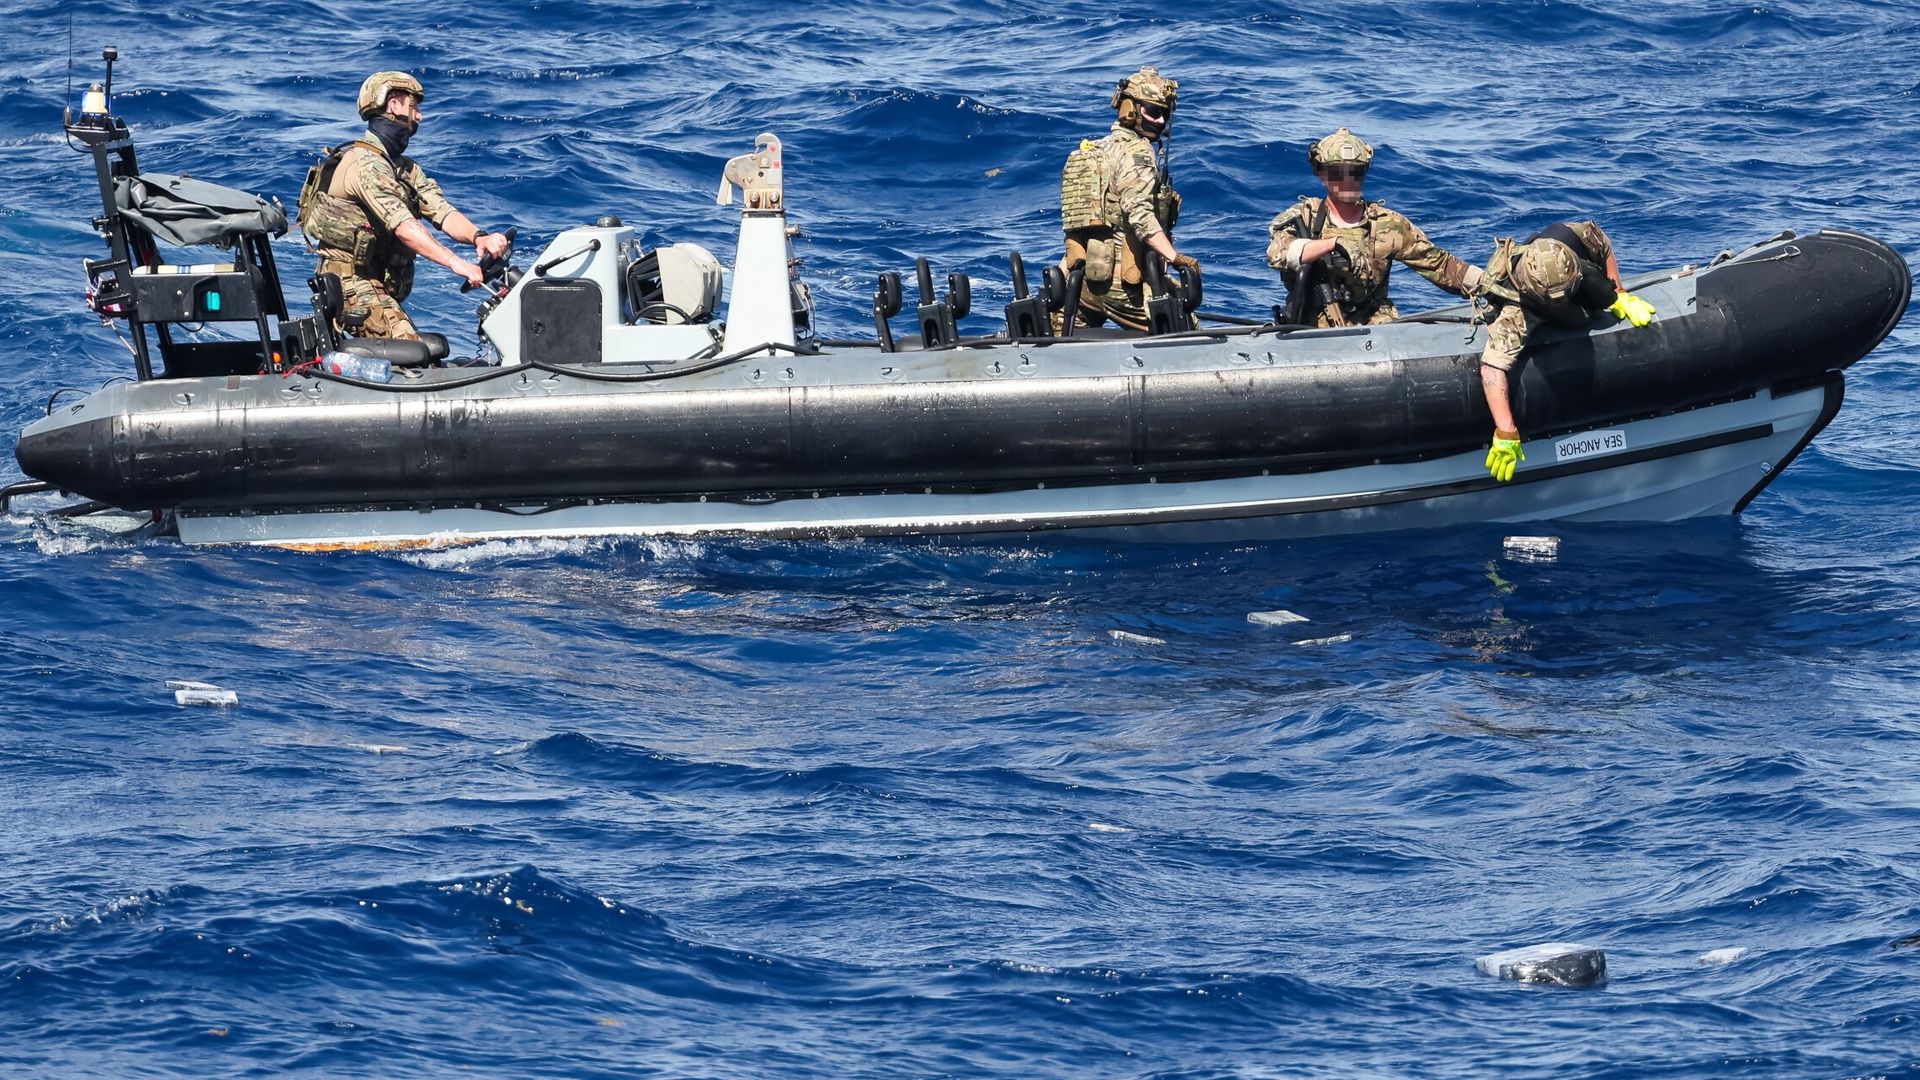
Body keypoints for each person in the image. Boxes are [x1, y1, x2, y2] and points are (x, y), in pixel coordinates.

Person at [296, 71, 510, 342]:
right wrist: (458, 264)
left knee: (430, 351)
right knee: (412, 350)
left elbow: (441, 211)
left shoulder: (403, 169)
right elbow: (404, 228)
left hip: (375, 285)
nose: (419, 116)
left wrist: (480, 237)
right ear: (394, 104)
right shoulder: (366, 164)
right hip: (350, 284)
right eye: (414, 107)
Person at [1475, 221, 1658, 482]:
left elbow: (1601, 241)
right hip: (1533, 302)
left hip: (1573, 279)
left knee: (1593, 297)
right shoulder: (1516, 313)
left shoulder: (1573, 236)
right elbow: (1492, 369)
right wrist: (1506, 431)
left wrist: (1619, 292)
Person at [1265, 127, 1481, 327]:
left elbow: (1440, 265)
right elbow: (1278, 254)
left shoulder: (1388, 225)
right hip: (1311, 326)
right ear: (1322, 174)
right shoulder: (1305, 216)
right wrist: (1332, 244)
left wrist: (1491, 283)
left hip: (1374, 326)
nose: (1348, 180)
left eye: (1356, 172)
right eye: (1338, 172)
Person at [1057, 66, 1196, 333]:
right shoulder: (1138, 153)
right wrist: (1175, 257)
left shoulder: (1096, 149)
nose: (1160, 120)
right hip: (1123, 285)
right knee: (1184, 329)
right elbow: (1139, 213)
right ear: (1130, 108)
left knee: (1060, 336)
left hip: (1082, 280)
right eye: (1153, 111)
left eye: (1164, 114)